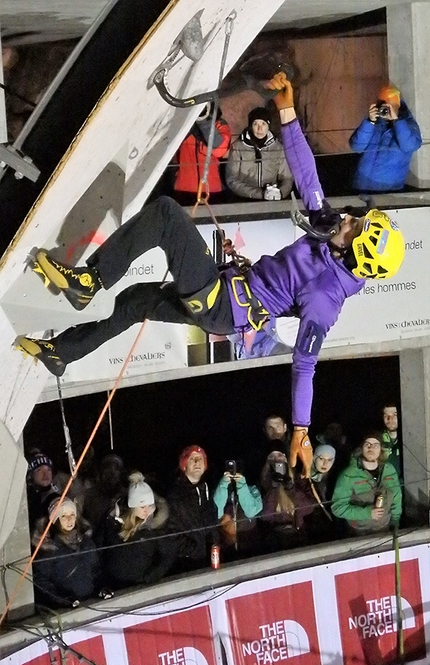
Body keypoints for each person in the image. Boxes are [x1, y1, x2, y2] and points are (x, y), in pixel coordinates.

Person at [16, 73, 406, 478]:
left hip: (222, 303)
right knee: (135, 303)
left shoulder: (327, 298)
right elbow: (308, 176)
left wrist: (302, 429)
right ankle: (64, 353)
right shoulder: (332, 230)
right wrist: (286, 112)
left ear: (354, 253)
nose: (350, 218)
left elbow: (305, 364)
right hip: (227, 295)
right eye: (358, 219)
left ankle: (89, 283)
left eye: (355, 226)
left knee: (167, 215)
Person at [99, 472, 177, 589]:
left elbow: (168, 554)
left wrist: (152, 576)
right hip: (114, 586)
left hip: (140, 587)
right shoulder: (112, 522)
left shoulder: (156, 526)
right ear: (132, 505)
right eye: (142, 506)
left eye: (149, 505)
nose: (147, 510)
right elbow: (100, 546)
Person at [349, 84, 422, 193]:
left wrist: (397, 122)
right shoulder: (375, 123)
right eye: (383, 105)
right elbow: (356, 146)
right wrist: (369, 122)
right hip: (361, 184)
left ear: (399, 106)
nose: (386, 110)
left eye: (391, 106)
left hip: (387, 188)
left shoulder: (408, 124)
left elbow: (409, 146)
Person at [32, 497, 101, 609]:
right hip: (67, 608)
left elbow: (96, 569)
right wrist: (63, 599)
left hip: (91, 602)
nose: (69, 519)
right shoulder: (49, 549)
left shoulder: (87, 542)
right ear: (56, 520)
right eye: (63, 516)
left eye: (72, 515)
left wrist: (101, 588)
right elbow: (41, 581)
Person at [331, 431, 402, 536]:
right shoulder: (348, 475)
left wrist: (395, 521)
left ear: (381, 449)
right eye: (367, 444)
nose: (371, 448)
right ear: (361, 449)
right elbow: (337, 508)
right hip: (359, 531)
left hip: (384, 528)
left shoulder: (389, 470)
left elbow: (396, 496)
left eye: (376, 445)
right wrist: (367, 512)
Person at [168, 445, 218, 571]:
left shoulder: (207, 489)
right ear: (184, 465)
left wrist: (214, 542)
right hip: (186, 564)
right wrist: (192, 550)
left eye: (200, 459)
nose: (197, 462)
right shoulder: (175, 494)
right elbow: (170, 531)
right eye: (192, 459)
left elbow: (212, 522)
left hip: (210, 558)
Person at [226, 107, 292, 201]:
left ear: (268, 126)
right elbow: (232, 180)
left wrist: (280, 193)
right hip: (244, 201)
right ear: (250, 126)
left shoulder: (278, 148)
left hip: (272, 200)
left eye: (263, 124)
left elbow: (287, 178)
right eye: (255, 124)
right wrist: (259, 194)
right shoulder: (238, 147)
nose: (259, 129)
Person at [173, 102, 231, 205]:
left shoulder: (220, 125)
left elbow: (219, 150)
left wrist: (203, 121)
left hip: (212, 190)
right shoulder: (182, 124)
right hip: (183, 188)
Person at [213, 459, 262, 558]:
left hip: (249, 544)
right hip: (225, 545)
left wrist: (241, 485)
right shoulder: (218, 490)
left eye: (236, 468)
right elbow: (216, 513)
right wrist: (223, 485)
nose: (233, 472)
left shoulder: (252, 489)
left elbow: (251, 511)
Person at [293, 443, 337, 543]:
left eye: (329, 460)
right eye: (321, 459)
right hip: (309, 528)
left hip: (331, 528)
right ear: (314, 458)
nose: (325, 464)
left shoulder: (335, 478)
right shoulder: (303, 478)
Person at [26, 452, 60, 533]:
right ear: (31, 475)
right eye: (39, 470)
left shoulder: (55, 497)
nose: (45, 474)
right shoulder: (26, 498)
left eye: (48, 469)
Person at [381, 403, 402, 476]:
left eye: (394, 415)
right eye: (386, 415)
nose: (390, 419)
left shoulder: (410, 438)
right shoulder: (377, 440)